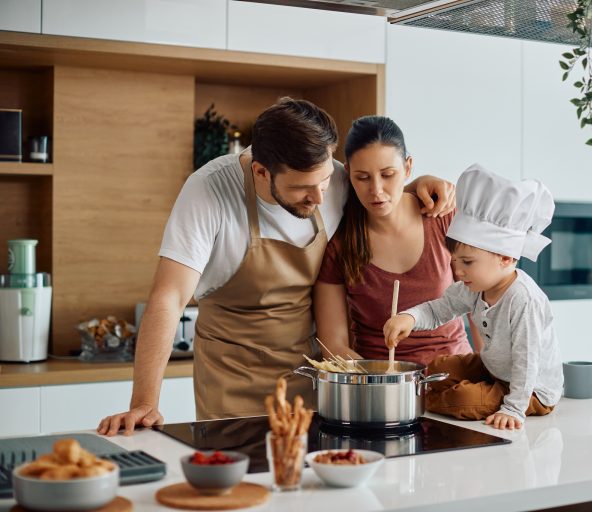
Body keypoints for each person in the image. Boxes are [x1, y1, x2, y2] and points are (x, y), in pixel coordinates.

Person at [97, 98, 456, 436]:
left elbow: (380, 191)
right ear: (261, 171)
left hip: (311, 379)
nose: (318, 199)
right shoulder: (209, 192)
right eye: (302, 189)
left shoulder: (333, 179)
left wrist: (419, 185)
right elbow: (169, 297)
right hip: (232, 384)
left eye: (326, 181)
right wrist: (144, 402)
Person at [383, 164, 563, 430]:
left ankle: (426, 400)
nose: (457, 270)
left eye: (467, 262)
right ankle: (436, 394)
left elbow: (528, 360)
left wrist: (513, 409)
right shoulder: (474, 287)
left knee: (462, 399)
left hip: (531, 389)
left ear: (505, 257)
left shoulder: (523, 299)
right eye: (455, 261)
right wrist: (409, 318)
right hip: (496, 370)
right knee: (436, 368)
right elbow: (439, 309)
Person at [314, 116, 472, 365]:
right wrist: (375, 383)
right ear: (348, 174)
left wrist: (490, 374)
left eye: (388, 174)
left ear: (408, 168)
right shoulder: (340, 247)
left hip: (455, 375)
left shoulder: (443, 218)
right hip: (382, 381)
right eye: (362, 178)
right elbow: (333, 346)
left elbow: (482, 300)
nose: (376, 190)